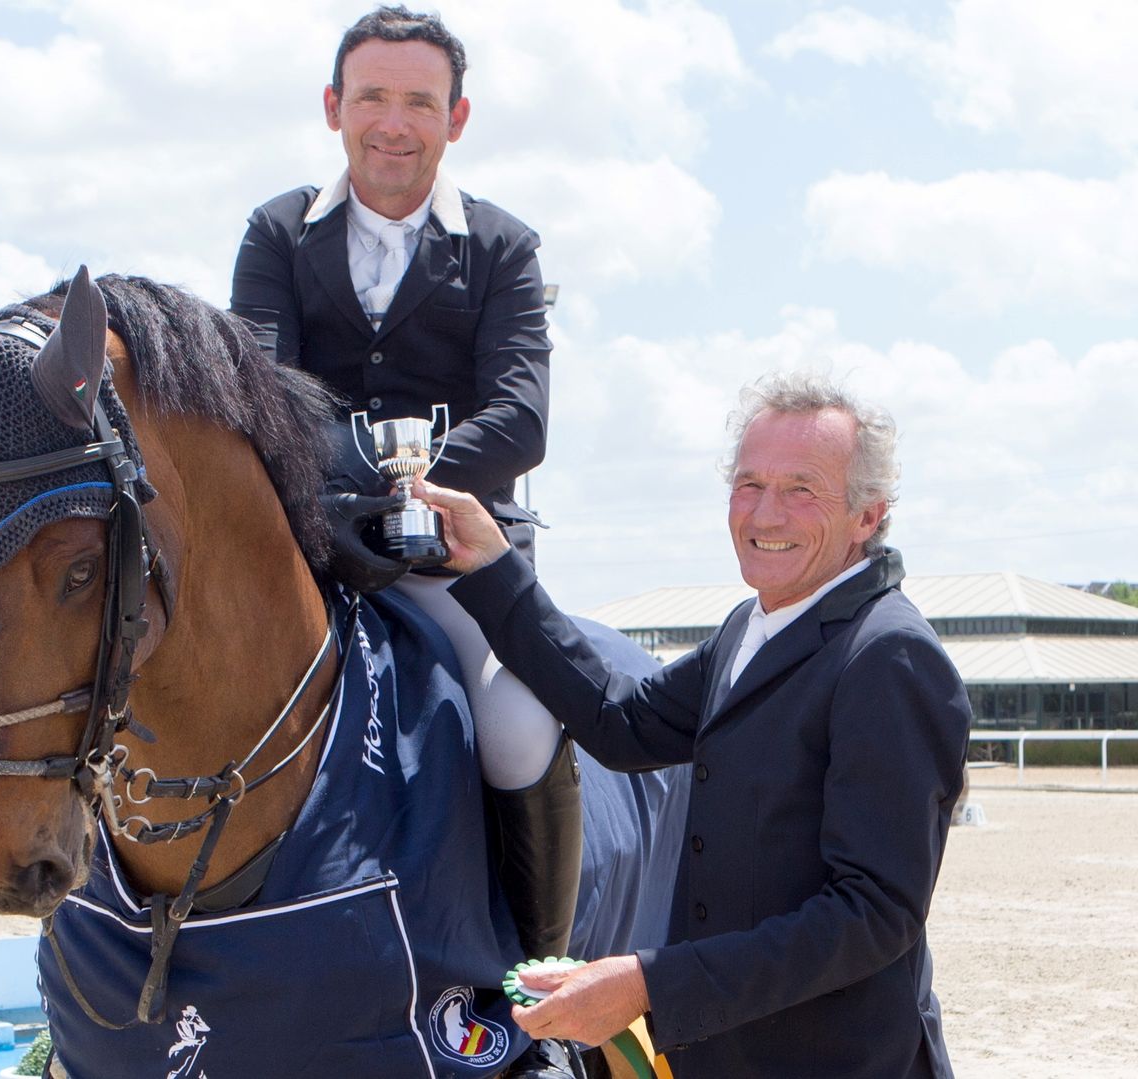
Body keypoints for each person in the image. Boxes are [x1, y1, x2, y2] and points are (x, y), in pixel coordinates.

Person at [416, 372, 971, 1077]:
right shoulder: (752, 623)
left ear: (869, 515)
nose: (764, 515)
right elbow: (622, 721)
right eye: (749, 484)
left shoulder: (888, 655)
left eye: (801, 488)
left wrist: (649, 984)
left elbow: (870, 916)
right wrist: (496, 566)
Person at [229, 8, 578, 1075]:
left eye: (418, 101)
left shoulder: (504, 245)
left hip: (457, 558)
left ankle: (538, 979)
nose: (393, 122)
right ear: (335, 110)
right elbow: (262, 392)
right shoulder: (278, 232)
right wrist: (359, 486)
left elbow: (522, 415)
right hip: (316, 549)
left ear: (454, 118)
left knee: (518, 727)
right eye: (371, 97)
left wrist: (420, 484)